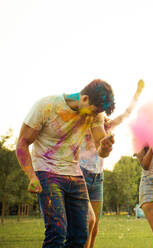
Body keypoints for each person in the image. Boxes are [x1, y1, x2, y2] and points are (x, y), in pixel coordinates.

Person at [16, 79, 115, 248]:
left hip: (74, 174)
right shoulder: (46, 106)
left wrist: (106, 147)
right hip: (47, 173)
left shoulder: (96, 114)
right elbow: (22, 144)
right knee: (57, 232)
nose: (94, 116)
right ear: (84, 99)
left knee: (81, 235)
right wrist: (31, 176)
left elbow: (100, 149)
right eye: (93, 111)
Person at [80, 80, 144, 248]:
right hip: (82, 173)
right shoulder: (87, 123)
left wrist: (137, 93)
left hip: (98, 178)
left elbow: (127, 113)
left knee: (95, 227)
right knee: (87, 223)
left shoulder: (109, 127)